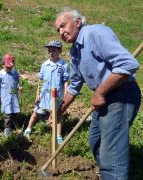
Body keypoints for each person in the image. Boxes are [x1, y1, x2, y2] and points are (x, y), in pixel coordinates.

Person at [55, 7, 141, 179]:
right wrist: (59, 109)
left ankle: (113, 173)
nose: (61, 32)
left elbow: (128, 64)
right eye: (58, 30)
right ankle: (110, 173)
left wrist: (100, 93)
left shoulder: (96, 33)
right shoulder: (75, 52)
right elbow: (74, 86)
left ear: (78, 22)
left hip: (121, 94)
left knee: (111, 151)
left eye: (63, 26)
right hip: (104, 97)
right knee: (96, 142)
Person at [23, 40, 69, 145]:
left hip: (56, 96)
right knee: (36, 113)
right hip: (44, 95)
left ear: (59, 51)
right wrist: (38, 94)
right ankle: (28, 129)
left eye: (53, 50)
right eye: (49, 51)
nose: (51, 53)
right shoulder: (45, 65)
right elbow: (41, 80)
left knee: (57, 116)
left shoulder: (63, 65)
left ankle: (58, 136)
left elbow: (65, 81)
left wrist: (66, 94)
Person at [0, 52, 21, 137]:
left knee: (14, 111)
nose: (9, 68)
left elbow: (16, 82)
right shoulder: (0, 75)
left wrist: (18, 86)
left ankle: (13, 123)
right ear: (2, 65)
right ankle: (7, 128)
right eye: (7, 67)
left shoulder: (14, 73)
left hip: (14, 96)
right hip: (5, 97)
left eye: (11, 67)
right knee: (8, 113)